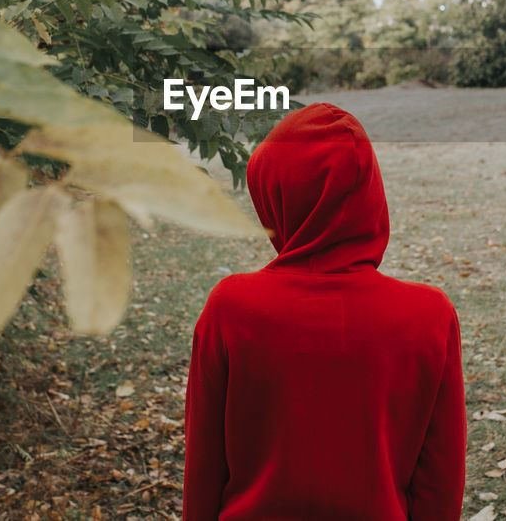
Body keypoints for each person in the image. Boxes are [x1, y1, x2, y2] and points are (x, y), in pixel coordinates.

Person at [183, 102, 466, 521]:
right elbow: (440, 485)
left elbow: (204, 469)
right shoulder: (429, 316)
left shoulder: (231, 309)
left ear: (276, 196)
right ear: (371, 194)